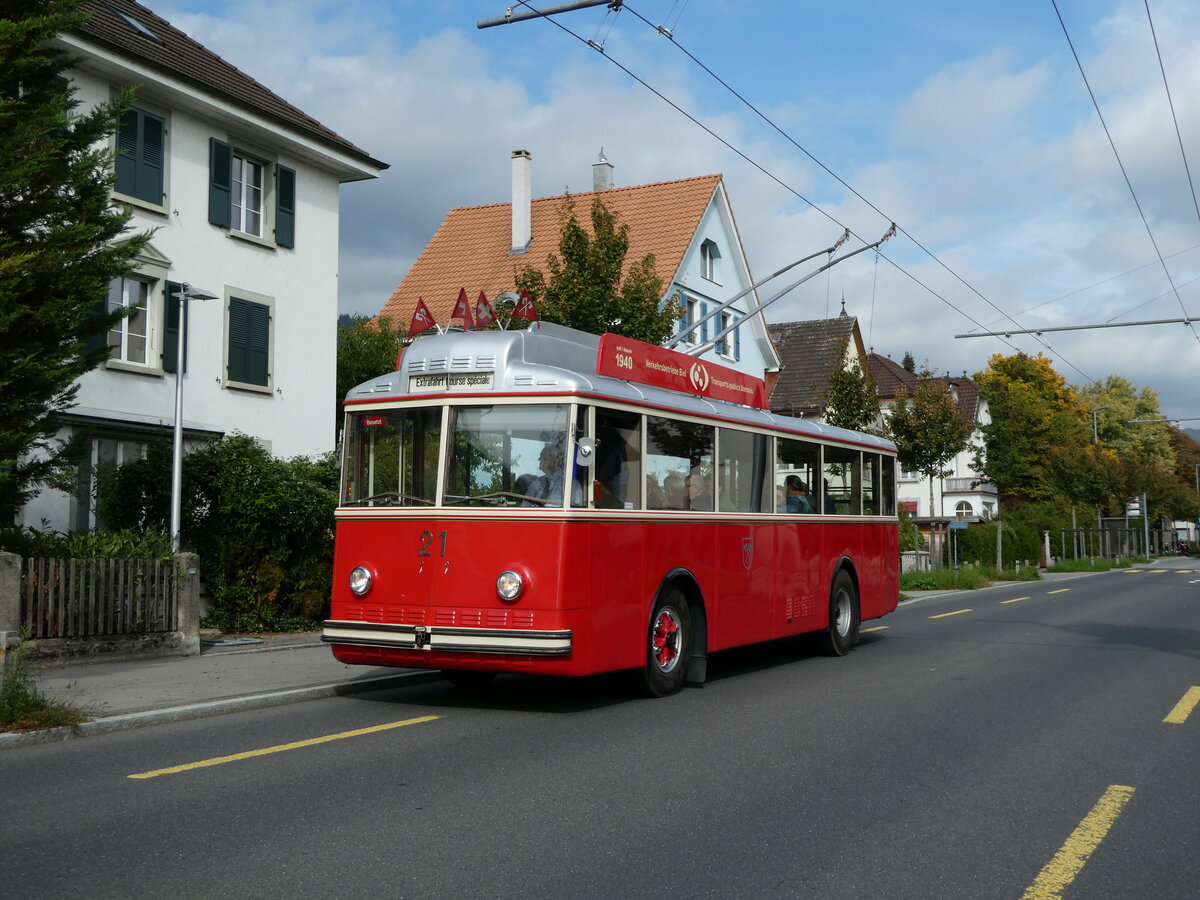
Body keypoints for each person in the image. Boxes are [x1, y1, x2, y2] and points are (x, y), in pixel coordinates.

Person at [531, 442, 583, 507]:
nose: (539, 459)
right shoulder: (537, 482)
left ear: (555, 461)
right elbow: (525, 504)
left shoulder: (571, 485)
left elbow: (575, 510)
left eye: (543, 457)